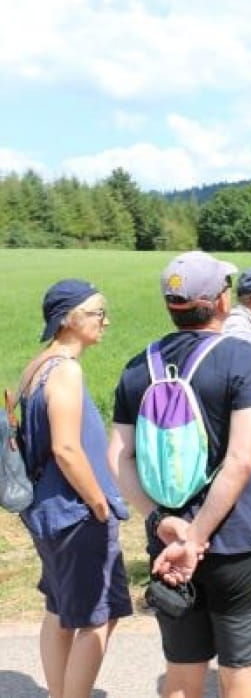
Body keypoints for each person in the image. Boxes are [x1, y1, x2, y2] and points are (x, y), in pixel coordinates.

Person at [110, 251, 251, 698]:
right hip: (237, 542)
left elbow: (119, 458)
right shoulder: (242, 359)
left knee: (182, 672)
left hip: (167, 548)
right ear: (222, 301)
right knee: (243, 669)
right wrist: (198, 536)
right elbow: (241, 459)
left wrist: (164, 523)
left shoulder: (135, 367)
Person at [18, 279, 132, 698]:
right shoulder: (65, 369)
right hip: (75, 514)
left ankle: (58, 692)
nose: (107, 320)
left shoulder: (38, 363)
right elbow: (66, 449)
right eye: (98, 312)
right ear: (69, 319)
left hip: (47, 510)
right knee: (97, 617)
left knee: (59, 609)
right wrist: (99, 503)